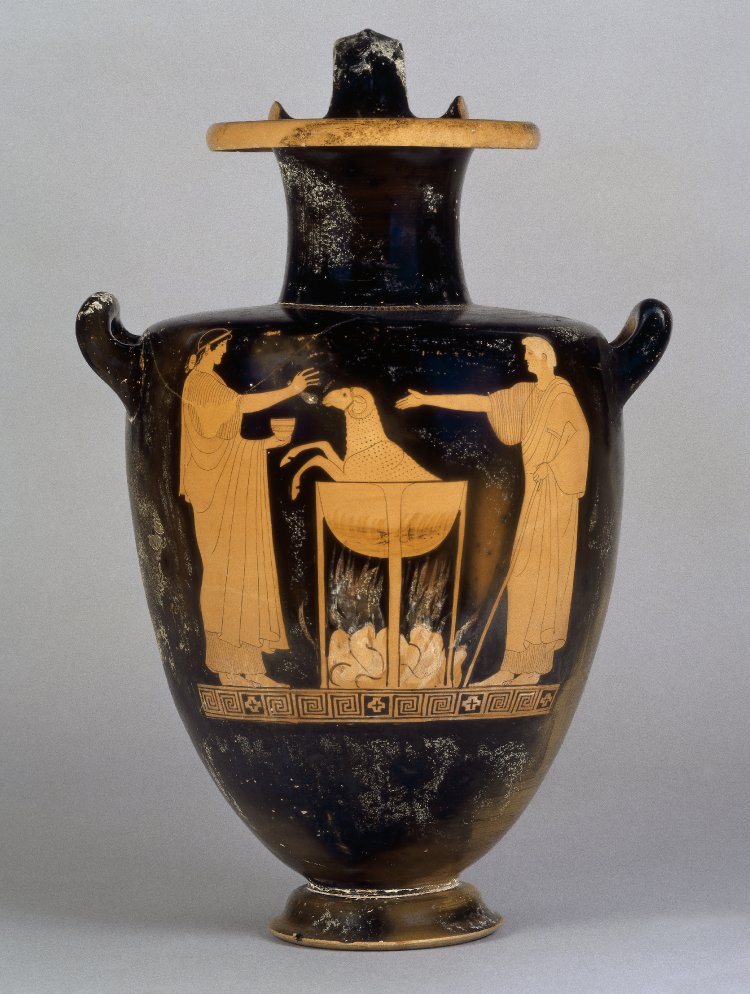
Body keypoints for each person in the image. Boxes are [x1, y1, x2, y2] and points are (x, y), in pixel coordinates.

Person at [396, 336, 589, 685]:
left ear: (545, 357)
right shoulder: (526, 395)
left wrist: (552, 466)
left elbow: (577, 440)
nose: (526, 359)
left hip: (555, 500)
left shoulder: (563, 395)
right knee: (522, 577)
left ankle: (533, 667)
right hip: (535, 496)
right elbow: (482, 403)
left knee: (545, 578)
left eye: (529, 354)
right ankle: (510, 666)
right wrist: (427, 398)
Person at [179, 329, 319, 686]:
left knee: (240, 574)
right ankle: (227, 667)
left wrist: (268, 442)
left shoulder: (209, 381)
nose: (224, 352)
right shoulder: (200, 383)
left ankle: (249, 669)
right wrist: (291, 390)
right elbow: (239, 408)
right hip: (216, 490)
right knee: (225, 575)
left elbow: (228, 440)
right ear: (208, 348)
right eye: (221, 347)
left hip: (227, 483)